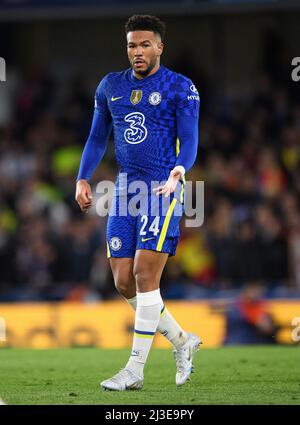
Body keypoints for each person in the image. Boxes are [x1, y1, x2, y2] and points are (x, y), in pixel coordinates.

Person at [75, 14, 201, 391]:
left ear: (161, 46)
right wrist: (83, 176)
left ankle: (134, 370)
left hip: (163, 188)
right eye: (132, 45)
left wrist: (180, 170)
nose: (138, 51)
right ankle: (182, 341)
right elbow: (97, 138)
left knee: (146, 276)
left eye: (146, 44)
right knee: (123, 281)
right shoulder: (110, 86)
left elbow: (190, 138)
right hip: (125, 189)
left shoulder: (181, 87)